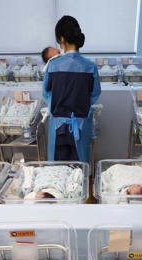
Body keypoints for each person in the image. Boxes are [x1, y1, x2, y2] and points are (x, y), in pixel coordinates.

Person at [42, 16, 100, 162]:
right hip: (80, 125)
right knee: (80, 171)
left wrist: (58, 106)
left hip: (58, 127)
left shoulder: (53, 65)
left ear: (61, 39)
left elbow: (47, 93)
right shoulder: (90, 66)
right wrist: (78, 102)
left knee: (58, 173)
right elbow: (94, 94)